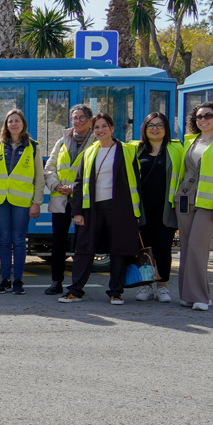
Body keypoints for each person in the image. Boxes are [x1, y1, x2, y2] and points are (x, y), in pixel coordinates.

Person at [58, 113, 141, 305]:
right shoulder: (89, 152)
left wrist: (136, 213)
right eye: (97, 127)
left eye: (104, 126)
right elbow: (78, 184)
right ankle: (75, 291)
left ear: (112, 128)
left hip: (120, 208)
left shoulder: (128, 151)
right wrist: (77, 212)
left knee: (118, 250)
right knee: (83, 250)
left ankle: (116, 292)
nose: (100, 130)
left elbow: (137, 182)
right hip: (92, 208)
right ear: (93, 130)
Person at [172, 102, 213, 311]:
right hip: (184, 200)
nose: (203, 120)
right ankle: (190, 295)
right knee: (187, 248)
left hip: (209, 203)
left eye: (208, 115)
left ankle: (200, 296)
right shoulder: (191, 141)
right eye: (199, 117)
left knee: (198, 248)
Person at [0, 109, 42, 295]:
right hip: (0, 200)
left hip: (22, 201)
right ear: (6, 125)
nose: (14, 124)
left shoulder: (33, 147)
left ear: (23, 124)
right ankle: (5, 279)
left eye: (17, 121)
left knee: (18, 241)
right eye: (10, 121)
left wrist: (36, 202)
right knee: (4, 240)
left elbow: (39, 176)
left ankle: (18, 281)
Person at [42, 105, 97, 295]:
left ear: (90, 120)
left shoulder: (96, 141)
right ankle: (56, 281)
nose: (78, 121)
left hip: (84, 200)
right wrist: (56, 185)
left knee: (83, 244)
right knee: (58, 243)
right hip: (61, 199)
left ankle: (77, 284)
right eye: (75, 118)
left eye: (82, 118)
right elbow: (49, 167)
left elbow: (98, 173)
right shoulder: (62, 142)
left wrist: (74, 188)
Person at [130, 112, 182, 304]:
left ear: (166, 128)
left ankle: (162, 287)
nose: (155, 128)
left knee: (163, 248)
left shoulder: (176, 149)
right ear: (144, 128)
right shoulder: (135, 149)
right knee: (143, 248)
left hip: (166, 208)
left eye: (159, 124)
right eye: (151, 125)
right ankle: (146, 286)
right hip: (141, 209)